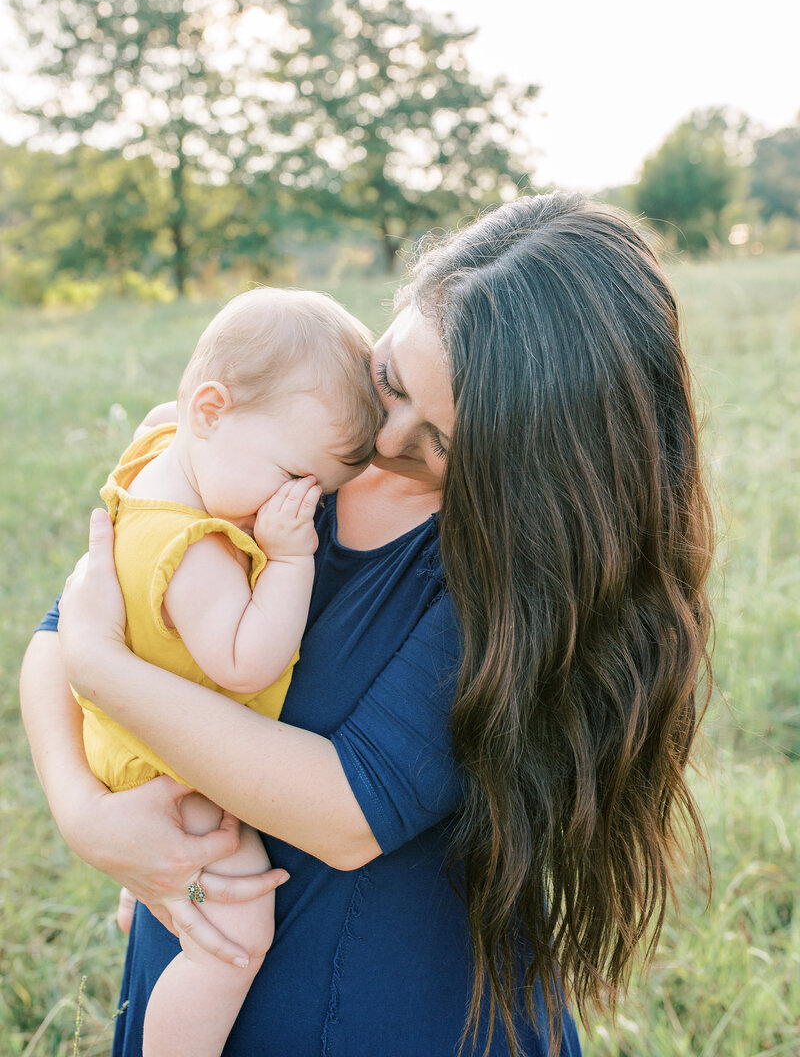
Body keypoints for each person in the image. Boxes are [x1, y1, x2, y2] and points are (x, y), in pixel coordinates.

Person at [22, 192, 714, 1057]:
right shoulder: (284, 422)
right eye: (389, 379)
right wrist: (87, 815)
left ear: (533, 457)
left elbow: (346, 810)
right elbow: (65, 625)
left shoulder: (514, 573)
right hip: (198, 972)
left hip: (393, 1016)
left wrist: (104, 669)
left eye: (447, 442)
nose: (381, 438)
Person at [67, 286, 382, 1057]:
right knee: (234, 934)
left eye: (314, 495)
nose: (296, 504)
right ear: (209, 410)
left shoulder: (157, 456)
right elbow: (246, 662)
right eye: (290, 478)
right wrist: (289, 557)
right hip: (170, 761)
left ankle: (145, 888)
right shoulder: (201, 550)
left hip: (125, 735)